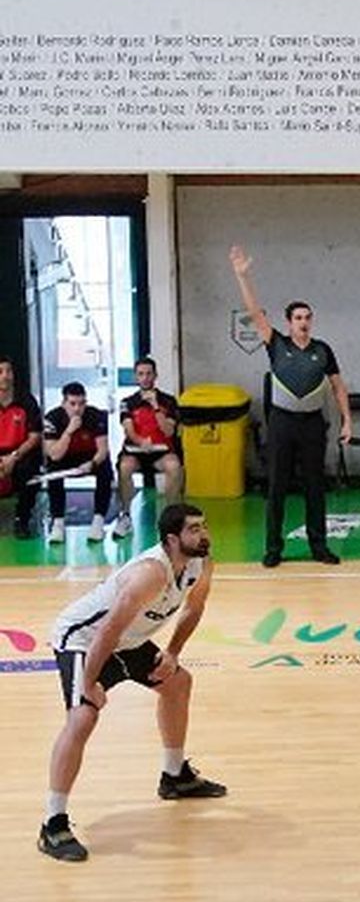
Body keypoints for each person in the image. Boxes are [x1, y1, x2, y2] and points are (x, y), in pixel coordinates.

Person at [39, 502, 228, 863]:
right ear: (172, 539)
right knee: (83, 717)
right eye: (194, 529)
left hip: (129, 640)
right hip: (83, 639)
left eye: (203, 526)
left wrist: (172, 652)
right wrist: (90, 684)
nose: (203, 534)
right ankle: (53, 822)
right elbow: (107, 630)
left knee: (178, 683)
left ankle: (174, 777)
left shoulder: (201, 564)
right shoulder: (149, 574)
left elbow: (194, 608)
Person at [230, 244, 353, 567]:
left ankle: (319, 547)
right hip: (283, 422)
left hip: (313, 423)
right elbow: (254, 311)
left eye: (308, 317)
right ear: (288, 322)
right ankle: (273, 549)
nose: (304, 322)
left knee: (315, 487)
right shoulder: (276, 343)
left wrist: (347, 422)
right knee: (277, 487)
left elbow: (339, 387)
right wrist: (243, 276)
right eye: (298, 317)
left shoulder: (323, 350)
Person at [115, 355, 184, 535]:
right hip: (136, 451)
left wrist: (155, 407)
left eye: (148, 373)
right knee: (124, 468)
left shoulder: (168, 401)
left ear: (155, 376)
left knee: (174, 467)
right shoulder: (127, 403)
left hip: (161, 451)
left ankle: (171, 518)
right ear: (135, 377)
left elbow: (169, 431)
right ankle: (125, 516)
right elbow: (128, 429)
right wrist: (140, 441)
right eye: (141, 374)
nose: (145, 378)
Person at [41, 382, 114, 543]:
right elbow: (54, 454)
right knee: (53, 471)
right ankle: (58, 522)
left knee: (105, 469)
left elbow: (103, 449)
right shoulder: (51, 418)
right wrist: (69, 430)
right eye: (72, 404)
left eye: (81, 404)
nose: (77, 409)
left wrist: (92, 464)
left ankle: (98, 520)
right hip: (64, 457)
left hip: (89, 458)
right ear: (64, 403)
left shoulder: (97, 416)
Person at [0, 356, 44, 538]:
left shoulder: (27, 401)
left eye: (9, 371)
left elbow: (35, 437)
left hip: (20, 453)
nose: (5, 376)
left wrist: (13, 456)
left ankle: (22, 520)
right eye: (0, 372)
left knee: (29, 473)